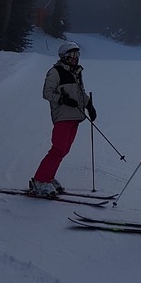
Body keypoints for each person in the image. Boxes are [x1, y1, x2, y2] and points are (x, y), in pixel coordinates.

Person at [29, 41, 97, 197]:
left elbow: (81, 93)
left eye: (77, 55)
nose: (75, 58)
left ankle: (48, 177)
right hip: (62, 116)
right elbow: (47, 93)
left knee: (64, 150)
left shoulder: (77, 72)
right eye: (72, 55)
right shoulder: (56, 72)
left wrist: (89, 105)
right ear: (64, 56)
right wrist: (62, 99)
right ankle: (40, 180)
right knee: (57, 149)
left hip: (76, 116)